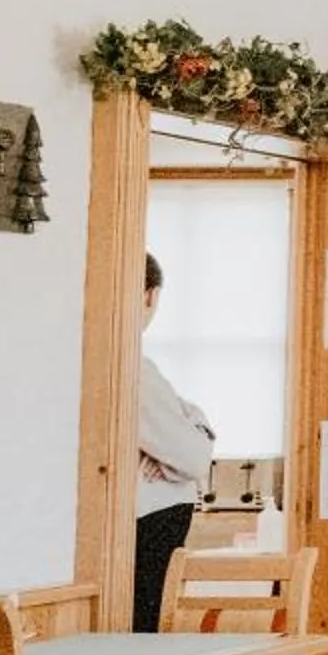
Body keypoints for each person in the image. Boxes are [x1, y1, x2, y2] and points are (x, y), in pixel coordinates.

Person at [135, 252, 216, 633]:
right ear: (150, 296)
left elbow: (185, 451)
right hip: (145, 531)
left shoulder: (136, 367)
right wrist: (193, 426)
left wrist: (186, 426)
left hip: (145, 528)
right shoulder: (129, 367)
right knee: (141, 638)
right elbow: (195, 459)